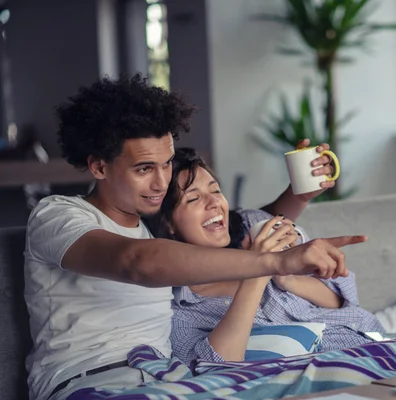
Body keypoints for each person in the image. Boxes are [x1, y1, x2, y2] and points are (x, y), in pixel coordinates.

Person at [24, 74, 365, 400]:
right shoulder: (59, 215)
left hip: (170, 378)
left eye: (167, 163)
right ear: (99, 167)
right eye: (144, 168)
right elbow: (136, 262)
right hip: (95, 380)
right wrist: (270, 262)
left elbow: (238, 224)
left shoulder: (153, 232)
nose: (161, 182)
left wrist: (298, 195)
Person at [147, 147, 384, 367]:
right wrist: (259, 270)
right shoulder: (178, 304)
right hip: (325, 368)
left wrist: (286, 277)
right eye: (193, 198)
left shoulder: (253, 227)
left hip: (375, 343)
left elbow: (344, 304)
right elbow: (214, 366)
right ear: (169, 223)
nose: (214, 203)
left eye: (215, 190)